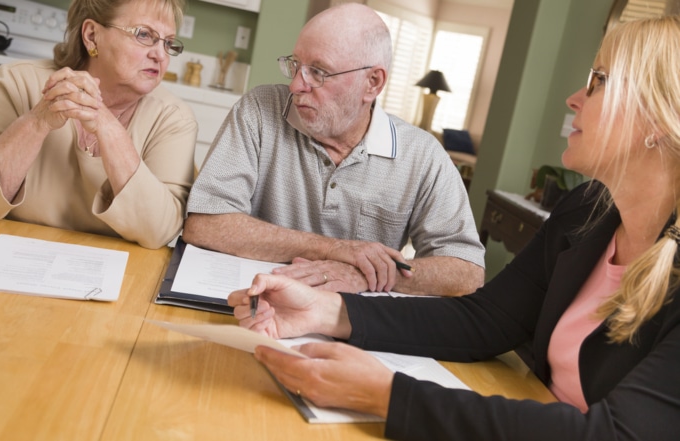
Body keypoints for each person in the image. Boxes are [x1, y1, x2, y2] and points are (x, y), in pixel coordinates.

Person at [228, 15, 680, 441]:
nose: (574, 98)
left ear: (656, 121)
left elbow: (615, 434)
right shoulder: (586, 211)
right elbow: (485, 320)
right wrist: (328, 311)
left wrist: (386, 395)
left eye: (597, 82)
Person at [183, 3, 484, 296]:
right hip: (256, 299)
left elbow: (467, 272)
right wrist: (333, 250)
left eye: (318, 72)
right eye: (296, 65)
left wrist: (363, 276)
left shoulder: (423, 156)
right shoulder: (260, 110)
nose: (296, 86)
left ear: (373, 83)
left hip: (351, 327)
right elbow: (205, 224)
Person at [0, 0, 197, 249]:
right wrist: (38, 121)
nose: (160, 54)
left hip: (117, 276)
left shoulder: (174, 118)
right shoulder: (17, 82)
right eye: (144, 34)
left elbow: (159, 232)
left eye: (168, 42)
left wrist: (108, 127)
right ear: (92, 36)